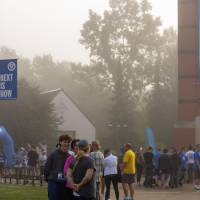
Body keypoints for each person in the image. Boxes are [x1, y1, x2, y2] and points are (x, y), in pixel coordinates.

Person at [44, 134, 72, 200]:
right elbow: (47, 168)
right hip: (53, 182)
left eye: (68, 142)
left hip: (64, 183)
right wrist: (47, 177)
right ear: (60, 142)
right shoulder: (53, 154)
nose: (66, 144)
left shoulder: (70, 156)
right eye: (64, 142)